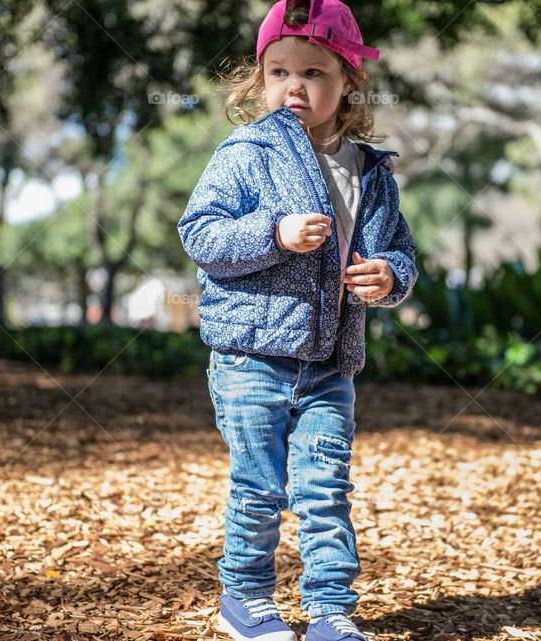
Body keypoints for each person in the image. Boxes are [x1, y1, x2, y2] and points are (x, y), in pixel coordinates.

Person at [177, 0, 418, 639]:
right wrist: (274, 234)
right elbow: (201, 234)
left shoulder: (372, 172)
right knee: (260, 487)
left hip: (331, 363)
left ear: (348, 83)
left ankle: (332, 612)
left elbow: (401, 251)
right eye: (279, 71)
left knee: (324, 492)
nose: (294, 87)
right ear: (260, 80)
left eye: (313, 73)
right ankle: (246, 598)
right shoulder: (246, 151)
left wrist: (391, 275)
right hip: (250, 357)